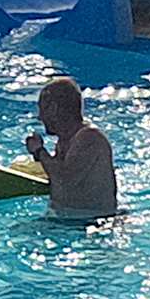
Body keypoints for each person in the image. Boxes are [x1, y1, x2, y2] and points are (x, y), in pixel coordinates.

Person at [23, 75, 119, 221]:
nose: (40, 117)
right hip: (70, 219)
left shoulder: (89, 137)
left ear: (53, 108)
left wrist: (39, 151)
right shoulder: (65, 140)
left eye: (42, 109)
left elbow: (64, 180)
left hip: (94, 222)